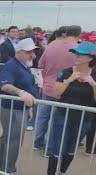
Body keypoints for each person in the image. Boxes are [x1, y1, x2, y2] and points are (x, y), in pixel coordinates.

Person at [47, 41, 96, 175]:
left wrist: (93, 84)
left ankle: (62, 172)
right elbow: (56, 93)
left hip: (84, 119)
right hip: (63, 116)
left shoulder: (95, 75)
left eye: (80, 54)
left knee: (71, 148)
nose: (76, 56)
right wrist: (69, 80)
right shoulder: (66, 71)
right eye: (75, 53)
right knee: (58, 148)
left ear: (90, 58)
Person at [34, 25, 81, 153]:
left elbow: (40, 65)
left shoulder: (52, 44)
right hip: (64, 89)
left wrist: (47, 76)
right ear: (79, 35)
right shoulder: (78, 50)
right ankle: (49, 150)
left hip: (48, 86)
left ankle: (37, 143)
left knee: (43, 116)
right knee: (56, 121)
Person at [0, 38, 38, 175]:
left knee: (9, 138)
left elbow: (29, 86)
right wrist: (21, 93)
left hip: (20, 109)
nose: (32, 55)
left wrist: (29, 107)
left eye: (32, 52)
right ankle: (7, 170)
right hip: (13, 109)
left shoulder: (23, 65)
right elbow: (5, 85)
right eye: (29, 52)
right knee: (13, 140)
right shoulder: (11, 65)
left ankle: (2, 167)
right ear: (19, 52)